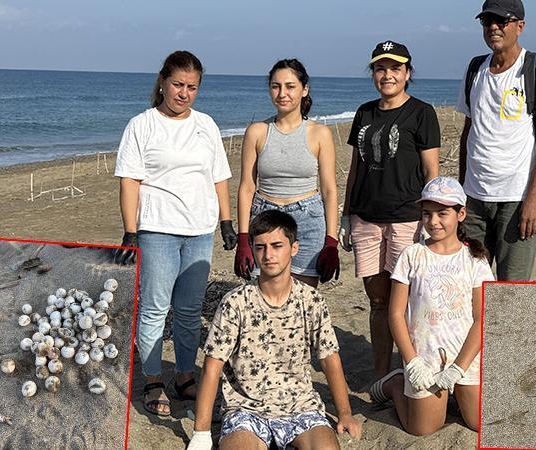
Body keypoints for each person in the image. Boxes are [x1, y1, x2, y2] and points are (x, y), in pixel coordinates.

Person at [114, 50, 235, 416]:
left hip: (199, 231)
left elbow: (219, 177)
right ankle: (153, 379)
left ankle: (184, 376)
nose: (184, 93)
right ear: (163, 82)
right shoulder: (142, 125)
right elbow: (130, 181)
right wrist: (130, 231)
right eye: (178, 84)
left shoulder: (206, 125)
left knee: (189, 309)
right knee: (154, 308)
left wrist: (226, 222)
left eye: (192, 87)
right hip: (157, 230)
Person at [187, 210, 362, 450]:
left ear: (294, 248)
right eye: (260, 247)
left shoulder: (311, 300)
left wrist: (345, 413)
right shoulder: (235, 302)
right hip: (245, 410)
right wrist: (201, 433)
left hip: (301, 407)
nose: (268, 255)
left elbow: (329, 357)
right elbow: (212, 366)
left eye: (277, 246)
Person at [340, 40, 440, 378]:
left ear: (408, 73)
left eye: (395, 68)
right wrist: (346, 214)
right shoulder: (364, 112)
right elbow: (356, 168)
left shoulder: (422, 113)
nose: (387, 75)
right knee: (378, 301)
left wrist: (430, 218)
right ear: (373, 74)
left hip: (406, 220)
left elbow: (431, 171)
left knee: (408, 303)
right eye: (380, 68)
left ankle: (414, 372)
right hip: (365, 220)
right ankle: (382, 376)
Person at [369, 176, 494, 435]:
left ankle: (455, 390)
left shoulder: (475, 260)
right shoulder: (411, 255)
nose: (433, 221)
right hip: (425, 356)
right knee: (423, 429)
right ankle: (396, 384)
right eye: (427, 214)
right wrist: (412, 362)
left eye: (442, 213)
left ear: (461, 214)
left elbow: (481, 318)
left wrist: (458, 368)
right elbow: (395, 314)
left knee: (479, 424)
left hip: (465, 356)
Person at [457, 0, 536, 281]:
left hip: (517, 198)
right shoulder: (474, 69)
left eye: (501, 21)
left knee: (511, 288)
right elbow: (468, 132)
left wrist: (533, 198)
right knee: (469, 282)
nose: (493, 27)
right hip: (474, 198)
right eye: (487, 21)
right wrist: (461, 192)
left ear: (520, 26)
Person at [235, 59, 339, 287]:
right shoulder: (257, 132)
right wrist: (243, 238)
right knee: (264, 295)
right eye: (276, 86)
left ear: (304, 89)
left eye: (290, 86)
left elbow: (329, 190)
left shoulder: (320, 133)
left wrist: (331, 242)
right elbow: (246, 187)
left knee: (303, 297)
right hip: (265, 217)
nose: (282, 93)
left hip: (308, 219)